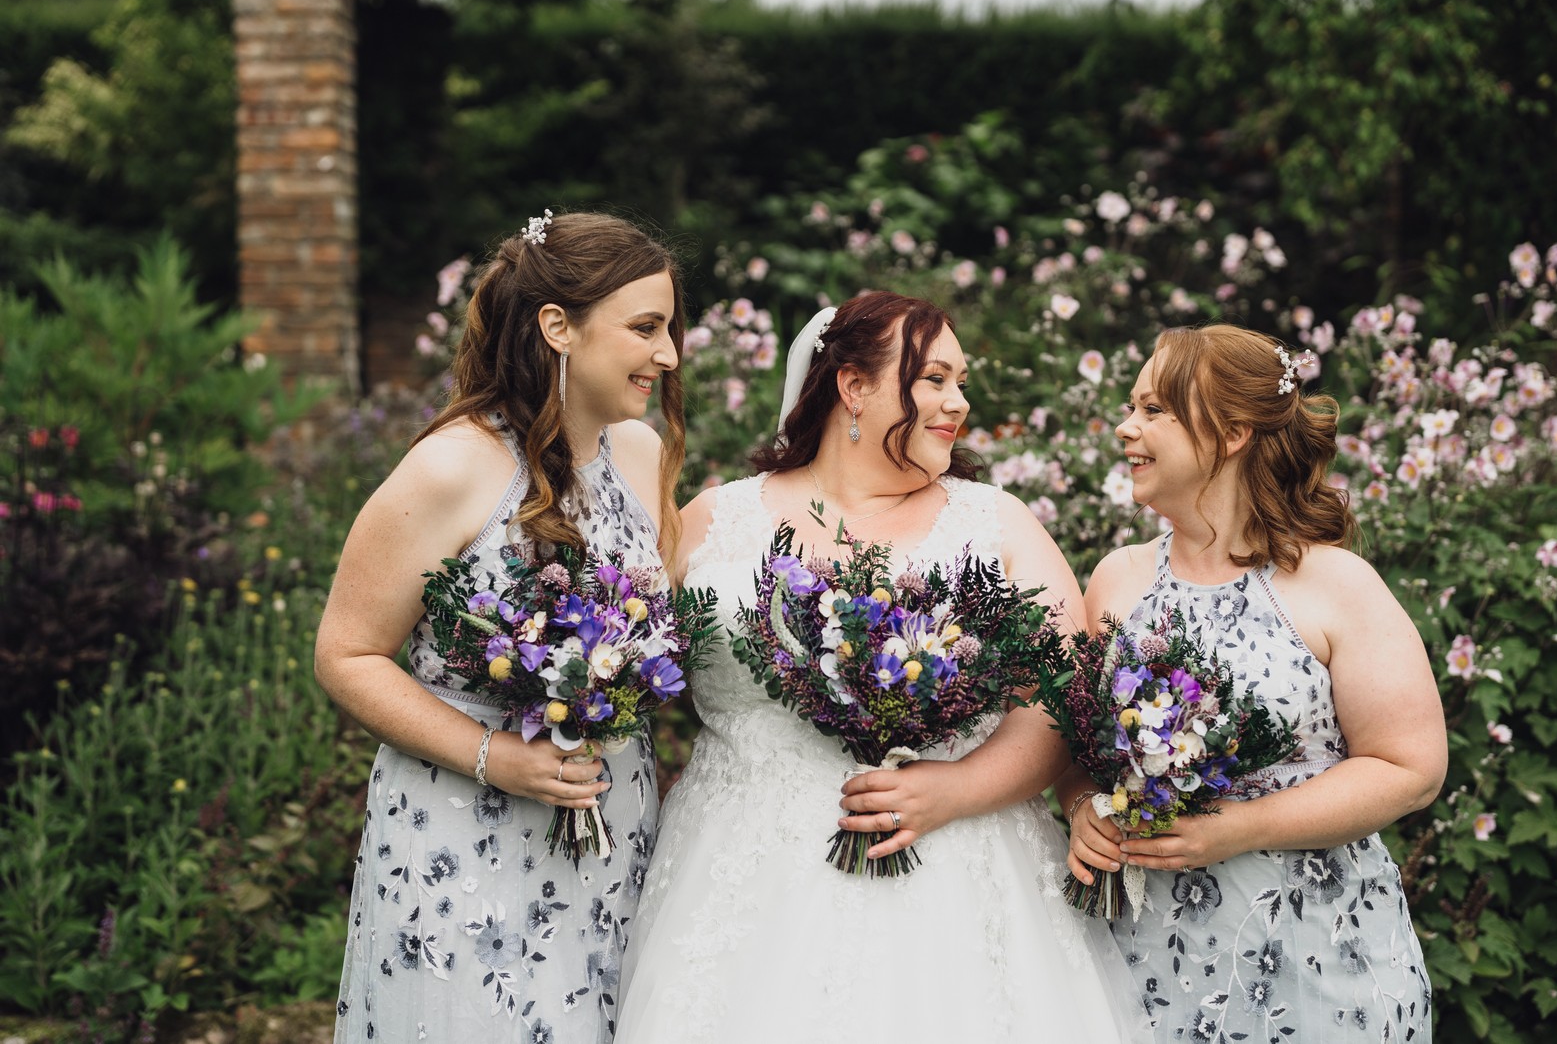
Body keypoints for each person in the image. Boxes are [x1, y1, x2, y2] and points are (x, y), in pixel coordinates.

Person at [615, 291, 1147, 1043]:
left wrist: (956, 788)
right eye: (934, 379)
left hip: (950, 871)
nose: (958, 402)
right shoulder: (713, 518)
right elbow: (630, 659)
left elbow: (1061, 699)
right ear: (854, 385)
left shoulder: (995, 523)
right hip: (737, 881)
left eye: (961, 382)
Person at [315, 211, 687, 1044]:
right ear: (558, 326)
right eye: (645, 328)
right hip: (465, 828)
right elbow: (346, 653)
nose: (668, 354)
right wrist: (497, 756)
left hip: (609, 823)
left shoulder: (640, 452)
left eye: (669, 329)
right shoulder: (452, 466)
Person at [1061, 323, 1445, 1041]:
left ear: (1233, 432)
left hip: (1317, 959)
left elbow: (1411, 768)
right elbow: (1077, 747)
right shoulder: (1117, 579)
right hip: (1145, 964)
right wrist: (1083, 805)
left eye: (1153, 410)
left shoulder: (1335, 583)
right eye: (1130, 408)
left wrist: (1244, 827)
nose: (1125, 427)